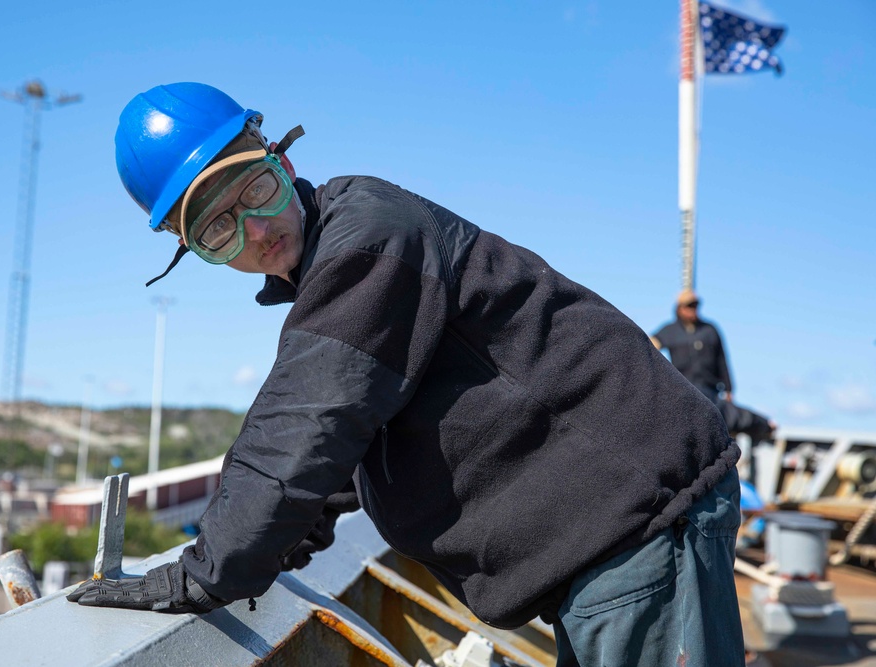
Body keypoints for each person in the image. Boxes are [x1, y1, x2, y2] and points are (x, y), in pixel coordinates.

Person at [68, 82, 745, 666]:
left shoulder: (367, 237)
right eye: (219, 230)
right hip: (612, 528)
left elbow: (309, 417)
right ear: (194, 252)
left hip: (638, 523)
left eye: (258, 190)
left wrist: (206, 571)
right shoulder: (339, 274)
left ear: (284, 159)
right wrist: (271, 547)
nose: (256, 229)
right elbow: (345, 442)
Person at [651, 290, 776, 482]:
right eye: (688, 306)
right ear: (679, 308)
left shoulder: (710, 330)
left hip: (709, 390)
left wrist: (728, 388)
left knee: (727, 415)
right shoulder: (670, 331)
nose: (693, 309)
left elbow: (722, 359)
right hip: (684, 390)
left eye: (695, 305)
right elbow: (651, 344)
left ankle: (765, 425)